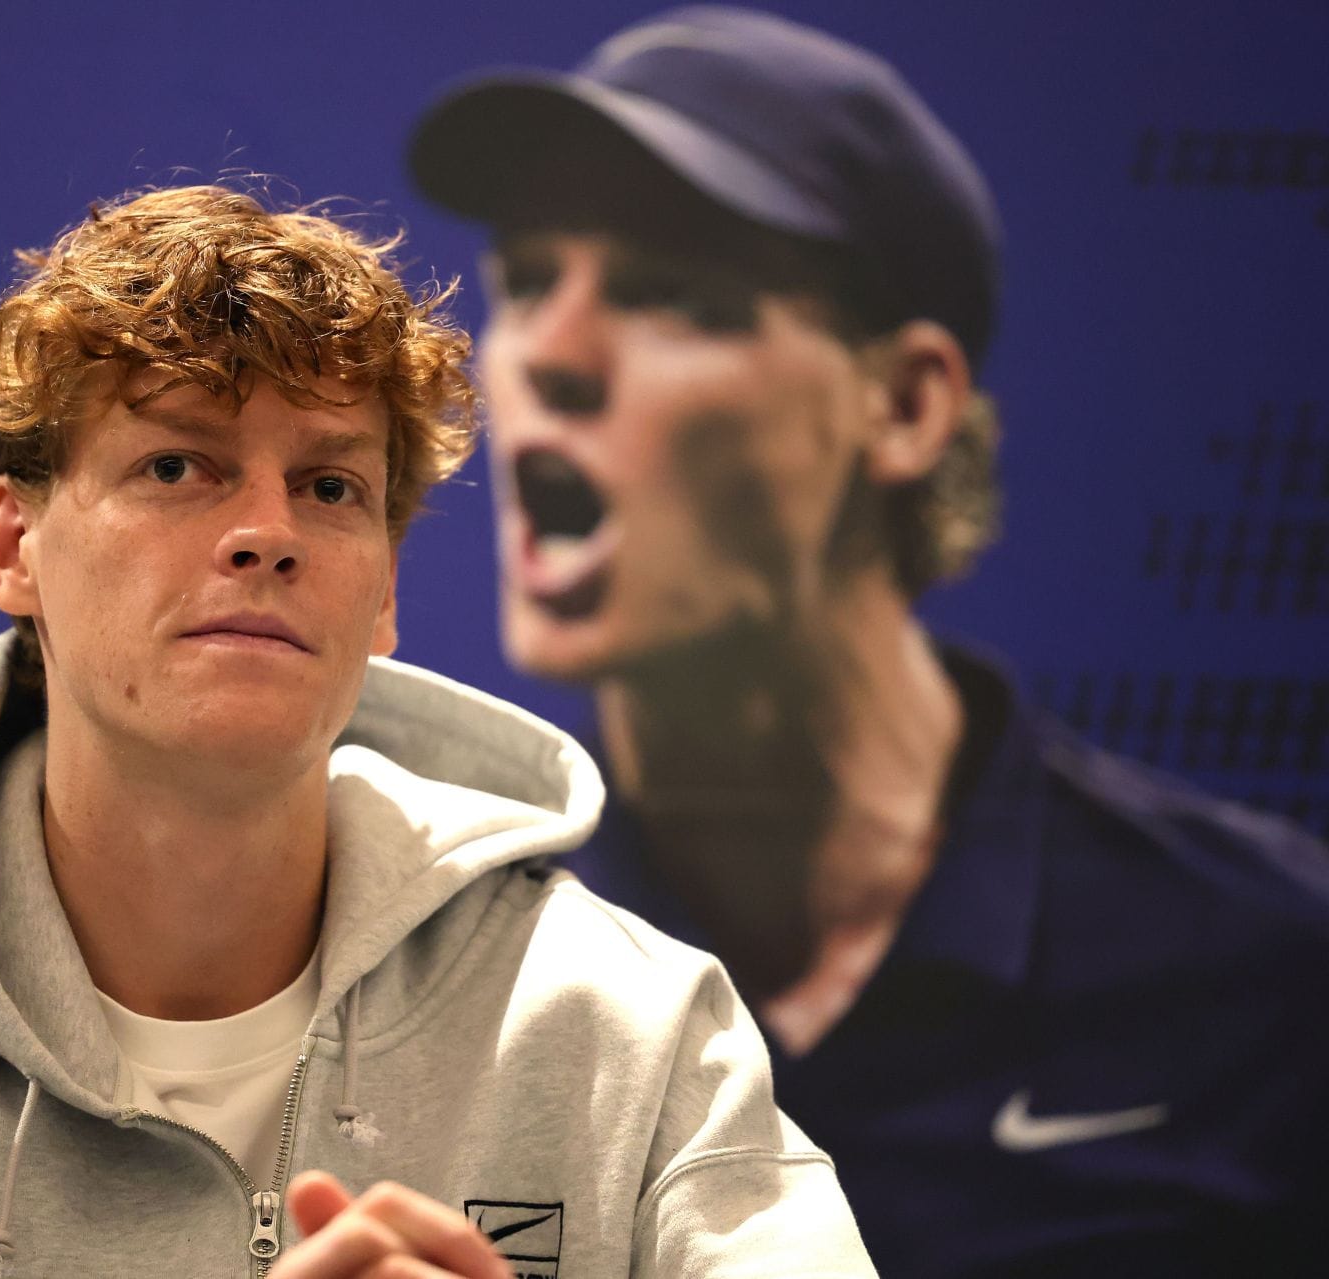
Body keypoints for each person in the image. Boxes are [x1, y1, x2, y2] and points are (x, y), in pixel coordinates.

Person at [0, 184, 874, 1277]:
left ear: (383, 585)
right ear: (12, 544)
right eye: (177, 462)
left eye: (330, 487)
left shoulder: (624, 1025)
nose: (266, 531)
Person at [411, 7, 1329, 1276]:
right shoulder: (416, 959)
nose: (545, 355)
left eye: (670, 294)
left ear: (902, 406)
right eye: (523, 283)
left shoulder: (1275, 978)